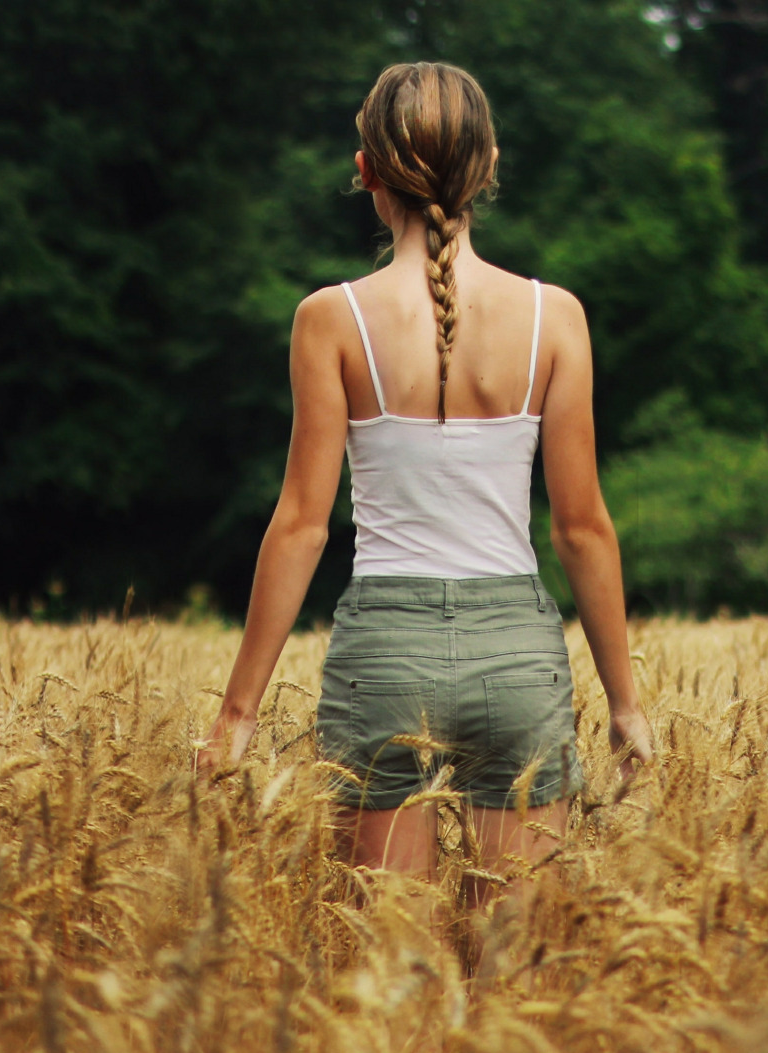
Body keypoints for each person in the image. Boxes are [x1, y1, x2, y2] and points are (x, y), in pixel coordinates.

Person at [196, 60, 652, 904]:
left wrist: (238, 716)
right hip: (515, 656)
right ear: (488, 168)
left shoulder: (329, 320)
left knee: (381, 974)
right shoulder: (558, 320)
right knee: (513, 976)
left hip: (383, 655)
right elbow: (581, 528)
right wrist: (624, 704)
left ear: (365, 172)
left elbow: (301, 524)